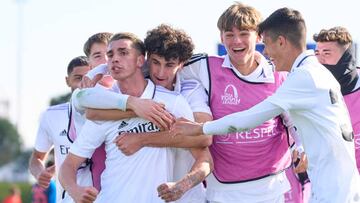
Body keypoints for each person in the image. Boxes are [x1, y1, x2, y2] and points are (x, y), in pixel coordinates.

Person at [172, 7, 360, 202]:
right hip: (339, 189)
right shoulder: (315, 71)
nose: (267, 52)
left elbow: (249, 119)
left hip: (331, 193)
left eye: (267, 44)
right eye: (229, 34)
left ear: (281, 42)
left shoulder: (302, 77)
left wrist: (200, 128)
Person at [178, 3, 306, 203]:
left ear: (259, 36)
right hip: (222, 191)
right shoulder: (204, 66)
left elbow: (294, 120)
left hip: (272, 188)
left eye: (244, 33)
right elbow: (161, 68)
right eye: (229, 34)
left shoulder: (279, 72)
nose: (236, 41)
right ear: (221, 38)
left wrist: (302, 145)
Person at [75, 24, 213, 203]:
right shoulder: (138, 85)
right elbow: (92, 113)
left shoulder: (190, 92)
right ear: (146, 60)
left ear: (181, 64)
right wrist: (136, 107)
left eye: (170, 65)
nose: (160, 72)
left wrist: (142, 139)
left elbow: (204, 139)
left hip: (188, 196)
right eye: (155, 63)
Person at [29, 56, 90, 203]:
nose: (83, 84)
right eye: (77, 78)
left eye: (88, 78)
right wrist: (40, 173)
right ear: (67, 80)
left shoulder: (112, 114)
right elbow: (36, 158)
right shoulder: (51, 116)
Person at [313, 26, 360, 173]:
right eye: (317, 53)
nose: (319, 60)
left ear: (347, 56)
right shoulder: (313, 90)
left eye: (326, 53)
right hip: (338, 182)